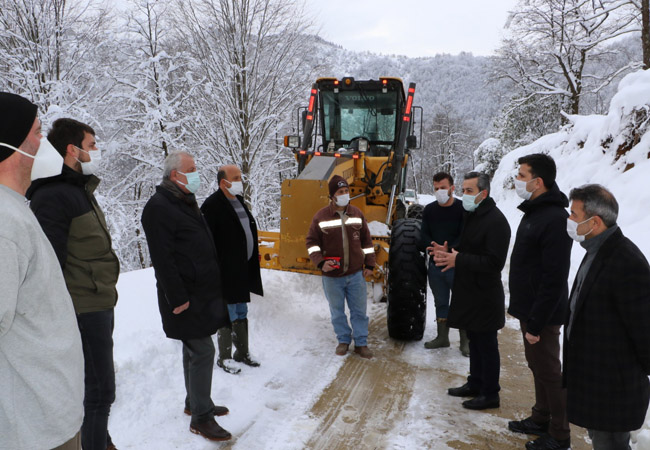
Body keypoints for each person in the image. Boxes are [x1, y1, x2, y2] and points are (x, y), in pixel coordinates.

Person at [26, 118, 120, 450]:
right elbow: (49, 265)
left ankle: (100, 440)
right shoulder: (54, 196)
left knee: (97, 390)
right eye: (92, 145)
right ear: (72, 150)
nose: (97, 151)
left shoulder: (78, 190)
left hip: (98, 304)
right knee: (98, 392)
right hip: (83, 310)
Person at [0, 92, 84, 449]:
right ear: (10, 146)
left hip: (48, 416)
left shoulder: (16, 209)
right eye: (36, 132)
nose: (44, 142)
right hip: (34, 427)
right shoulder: (4, 223)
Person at [141, 151, 232, 442]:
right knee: (203, 351)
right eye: (190, 169)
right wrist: (177, 297)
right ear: (174, 176)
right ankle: (201, 418)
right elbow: (163, 259)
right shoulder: (158, 207)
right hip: (184, 296)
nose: (196, 173)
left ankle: (195, 402)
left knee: (192, 350)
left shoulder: (182, 201)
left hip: (200, 292)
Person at [564, 184, 650, 450]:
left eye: (574, 214)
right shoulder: (596, 249)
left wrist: (632, 381)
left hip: (613, 387)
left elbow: (644, 328)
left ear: (595, 221)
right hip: (596, 378)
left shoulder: (625, 261)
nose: (569, 220)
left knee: (610, 444)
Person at [507, 154, 572, 450]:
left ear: (538, 181)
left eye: (522, 175)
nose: (517, 180)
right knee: (537, 367)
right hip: (530, 309)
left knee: (549, 371)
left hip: (542, 313)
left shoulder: (555, 219)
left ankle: (559, 434)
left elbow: (554, 277)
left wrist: (536, 321)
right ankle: (540, 417)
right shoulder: (535, 211)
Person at [435, 171, 510, 410]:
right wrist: (450, 250)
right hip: (470, 292)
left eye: (469, 191)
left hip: (486, 295)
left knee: (487, 345)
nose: (463, 195)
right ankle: (475, 383)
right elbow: (468, 247)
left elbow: (493, 263)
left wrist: (460, 259)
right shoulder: (474, 215)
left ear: (483, 193)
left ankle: (490, 394)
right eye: (463, 190)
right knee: (476, 341)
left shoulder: (497, 222)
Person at [201, 164, 264, 374]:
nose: (240, 181)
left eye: (240, 177)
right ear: (223, 183)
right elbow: (207, 242)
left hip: (241, 270)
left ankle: (242, 352)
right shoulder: (212, 206)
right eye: (235, 178)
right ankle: (225, 357)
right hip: (224, 272)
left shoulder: (238, 201)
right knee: (227, 313)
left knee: (241, 310)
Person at [306, 175, 376, 359]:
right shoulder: (320, 217)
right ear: (332, 196)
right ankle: (343, 340)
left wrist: (369, 263)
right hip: (331, 277)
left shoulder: (357, 214)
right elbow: (312, 243)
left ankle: (361, 343)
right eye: (340, 192)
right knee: (337, 312)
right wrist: (320, 262)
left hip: (355, 275)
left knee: (359, 311)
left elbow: (366, 241)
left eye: (347, 191)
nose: (345, 195)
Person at [419, 171, 468, 356]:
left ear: (452, 188)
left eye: (443, 188)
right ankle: (442, 337)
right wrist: (434, 248)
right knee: (440, 302)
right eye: (436, 188)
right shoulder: (429, 210)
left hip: (456, 265)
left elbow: (465, 235)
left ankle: (465, 341)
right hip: (436, 264)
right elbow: (424, 233)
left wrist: (449, 249)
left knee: (461, 302)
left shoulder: (463, 209)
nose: (439, 191)